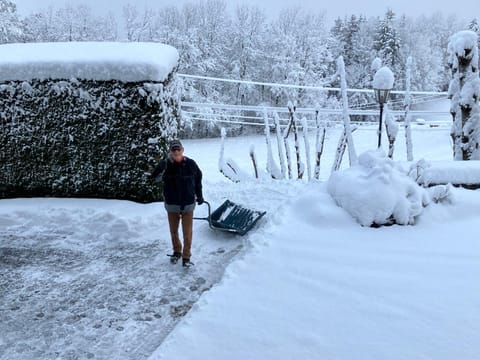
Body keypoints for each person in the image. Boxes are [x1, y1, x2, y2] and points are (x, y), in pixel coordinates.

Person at [151, 139, 204, 267]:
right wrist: (162, 166)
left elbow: (198, 179)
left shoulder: (191, 164)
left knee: (187, 233)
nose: (176, 152)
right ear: (169, 151)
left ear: (182, 150)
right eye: (173, 149)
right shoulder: (166, 165)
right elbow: (155, 178)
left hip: (188, 204)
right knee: (174, 231)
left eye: (178, 149)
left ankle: (186, 257)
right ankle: (177, 252)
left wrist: (200, 195)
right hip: (172, 204)